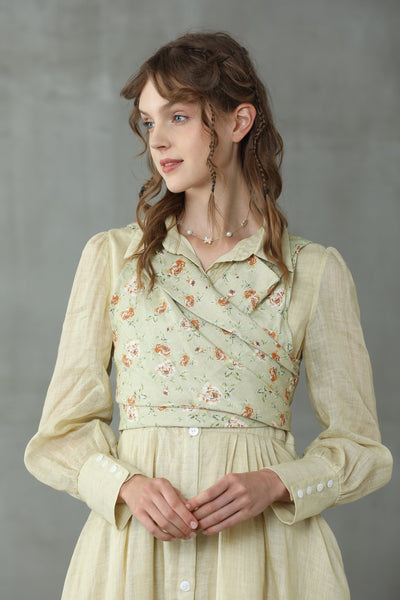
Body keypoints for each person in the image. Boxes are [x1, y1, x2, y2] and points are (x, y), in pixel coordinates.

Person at [24, 31, 392, 599]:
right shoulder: (113, 260)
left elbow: (362, 449)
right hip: (131, 565)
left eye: (178, 117)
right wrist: (126, 486)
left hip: (269, 565)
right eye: (148, 121)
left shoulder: (313, 272)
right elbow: (58, 437)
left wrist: (276, 482)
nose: (157, 140)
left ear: (239, 121)